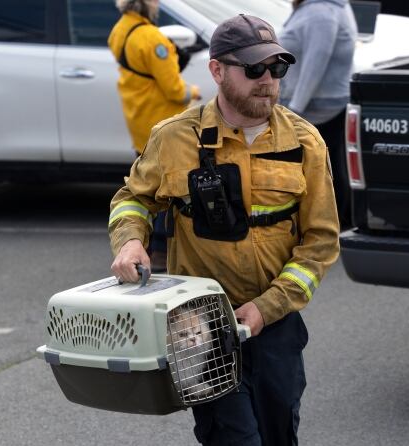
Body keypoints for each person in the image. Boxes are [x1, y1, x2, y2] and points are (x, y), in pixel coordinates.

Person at [109, 14, 340, 445]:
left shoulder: (305, 142)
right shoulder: (174, 138)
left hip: (275, 326)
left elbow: (321, 241)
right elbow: (132, 199)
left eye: (277, 68)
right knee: (233, 439)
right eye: (253, 69)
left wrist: (268, 307)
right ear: (217, 70)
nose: (268, 79)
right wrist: (132, 242)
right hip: (201, 327)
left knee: (277, 436)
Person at [108, 0, 201, 271]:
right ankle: (160, 248)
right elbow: (174, 90)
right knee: (168, 188)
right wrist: (194, 92)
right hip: (161, 121)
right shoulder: (152, 38)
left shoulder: (120, 30)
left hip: (138, 117)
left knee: (145, 183)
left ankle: (146, 242)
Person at [278, 0, 357, 227]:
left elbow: (317, 62)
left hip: (318, 109)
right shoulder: (326, 6)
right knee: (330, 167)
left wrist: (295, 110)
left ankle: (334, 225)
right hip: (326, 104)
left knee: (325, 171)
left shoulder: (321, 13)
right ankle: (336, 223)